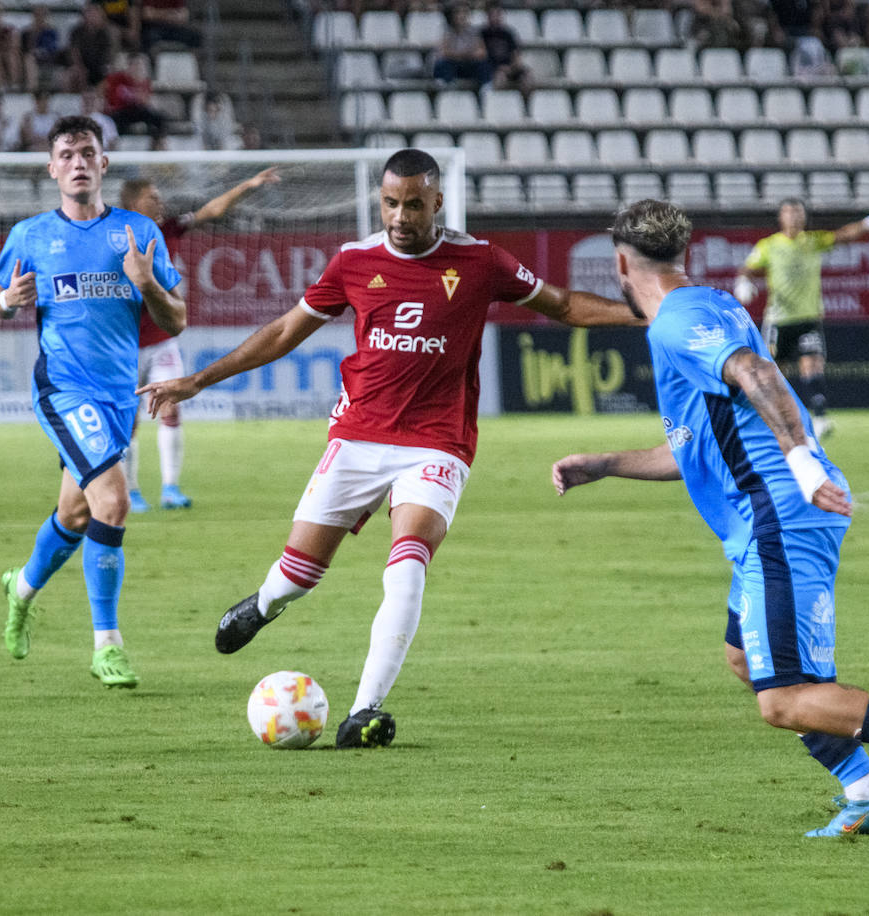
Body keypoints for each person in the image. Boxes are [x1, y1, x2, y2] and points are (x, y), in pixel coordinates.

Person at [138, 148, 644, 747]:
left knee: (406, 568)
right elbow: (281, 332)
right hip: (356, 436)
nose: (400, 216)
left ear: (437, 202)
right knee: (299, 576)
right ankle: (265, 603)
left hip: (438, 443)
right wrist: (197, 380)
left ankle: (363, 712)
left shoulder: (480, 262)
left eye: (412, 205)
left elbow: (561, 304)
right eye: (389, 203)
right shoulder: (354, 261)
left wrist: (646, 315)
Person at [551, 198, 869, 838]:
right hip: (762, 517)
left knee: (784, 698)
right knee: (745, 660)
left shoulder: (679, 321)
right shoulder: (706, 307)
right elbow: (698, 446)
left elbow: (755, 370)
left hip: (781, 514)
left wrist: (802, 463)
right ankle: (867, 793)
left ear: (619, 264)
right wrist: (607, 463)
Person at [0, 115, 186, 688]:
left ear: (104, 164)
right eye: (66, 154)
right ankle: (108, 644)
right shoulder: (30, 235)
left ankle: (21, 589)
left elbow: (175, 320)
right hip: (62, 388)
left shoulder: (138, 233)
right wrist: (7, 300)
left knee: (77, 512)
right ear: (52, 169)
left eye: (87, 152)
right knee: (114, 501)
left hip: (117, 394)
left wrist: (148, 285)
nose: (77, 162)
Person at [119, 166, 281, 512]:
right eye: (152, 196)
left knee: (171, 407)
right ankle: (130, 490)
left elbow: (211, 211)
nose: (159, 200)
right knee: (127, 419)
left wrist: (248, 183)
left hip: (162, 340)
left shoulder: (168, 228)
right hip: (125, 344)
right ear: (133, 204)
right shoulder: (113, 238)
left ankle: (170, 488)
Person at [733, 197, 869, 439]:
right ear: (781, 218)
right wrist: (743, 281)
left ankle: (820, 418)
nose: (793, 217)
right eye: (789, 212)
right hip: (779, 321)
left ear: (804, 217)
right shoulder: (769, 245)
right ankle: (760, 418)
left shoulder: (813, 242)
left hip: (808, 318)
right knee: (771, 372)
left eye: (798, 212)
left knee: (812, 365)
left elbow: (845, 234)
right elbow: (747, 268)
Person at [104, 53, 166, 148]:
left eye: (139, 65)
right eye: (134, 65)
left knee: (158, 117)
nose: (137, 68)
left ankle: (157, 145)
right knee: (115, 122)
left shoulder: (144, 81)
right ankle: (114, 148)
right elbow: (113, 100)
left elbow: (145, 102)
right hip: (120, 111)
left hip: (137, 110)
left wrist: (138, 83)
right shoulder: (117, 79)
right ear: (128, 66)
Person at [431, 4, 490, 88]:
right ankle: (444, 88)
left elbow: (482, 53)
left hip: (468, 64)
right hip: (453, 64)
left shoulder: (474, 31)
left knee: (483, 65)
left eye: (464, 13)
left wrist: (461, 54)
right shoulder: (447, 31)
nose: (461, 16)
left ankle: (486, 88)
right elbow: (442, 53)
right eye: (458, 13)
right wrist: (464, 54)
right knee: (441, 64)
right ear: (453, 16)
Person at [479, 2, 531, 93]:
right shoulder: (483, 33)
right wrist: (498, 68)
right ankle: (501, 104)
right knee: (500, 78)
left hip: (509, 67)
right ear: (487, 16)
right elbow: (482, 55)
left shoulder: (508, 33)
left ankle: (526, 104)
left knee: (527, 77)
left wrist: (512, 67)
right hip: (493, 68)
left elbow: (516, 55)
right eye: (493, 15)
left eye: (498, 14)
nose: (496, 17)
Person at [68, 1, 117, 91]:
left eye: (95, 12)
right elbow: (74, 51)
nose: (92, 15)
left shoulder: (108, 31)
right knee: (72, 74)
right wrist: (79, 67)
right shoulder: (77, 31)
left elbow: (110, 53)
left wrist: (102, 66)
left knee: (109, 73)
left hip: (101, 65)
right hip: (83, 65)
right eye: (89, 12)